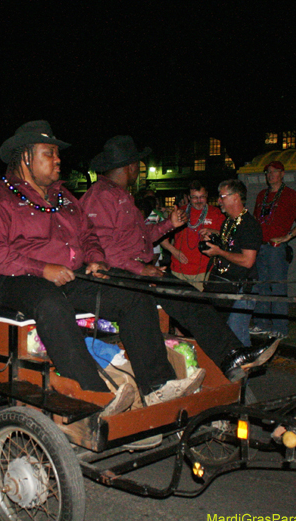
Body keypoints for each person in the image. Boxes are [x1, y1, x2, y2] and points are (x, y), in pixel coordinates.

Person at [0, 121, 199, 411]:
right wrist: (42, 268)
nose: (58, 160)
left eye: (57, 154)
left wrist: (96, 257)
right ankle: (93, 396)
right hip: (16, 280)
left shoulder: (64, 197)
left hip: (71, 276)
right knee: (51, 303)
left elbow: (88, 233)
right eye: (49, 153)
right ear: (26, 157)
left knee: (132, 291)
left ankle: (158, 386)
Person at [80, 136, 279, 380]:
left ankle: (231, 355)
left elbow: (140, 239)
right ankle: (229, 356)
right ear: (130, 167)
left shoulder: (119, 195)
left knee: (192, 300)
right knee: (187, 298)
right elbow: (102, 247)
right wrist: (140, 269)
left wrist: (168, 225)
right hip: (117, 275)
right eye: (138, 166)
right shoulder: (100, 197)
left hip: (133, 269)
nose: (139, 170)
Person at [200, 181, 266, 380]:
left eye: (223, 196)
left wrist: (218, 251)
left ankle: (243, 384)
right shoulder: (229, 221)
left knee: (237, 335)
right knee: (221, 332)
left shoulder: (248, 224)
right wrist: (215, 236)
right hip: (223, 284)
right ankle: (232, 379)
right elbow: (233, 242)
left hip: (240, 289)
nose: (219, 201)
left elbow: (247, 260)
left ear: (236, 197)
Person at [250, 161, 296, 339]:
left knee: (277, 287)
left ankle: (280, 327)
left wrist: (288, 236)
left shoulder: (289, 195)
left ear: (282, 174)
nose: (271, 175)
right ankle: (262, 324)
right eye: (268, 172)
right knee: (261, 286)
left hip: (276, 249)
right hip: (260, 246)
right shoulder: (262, 195)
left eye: (274, 172)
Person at [162, 180, 224, 290]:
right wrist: (174, 251)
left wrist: (212, 232)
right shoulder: (179, 212)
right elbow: (161, 238)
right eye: (195, 197)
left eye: (202, 197)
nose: (199, 201)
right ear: (189, 197)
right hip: (179, 271)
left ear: (207, 196)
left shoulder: (216, 213)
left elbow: (227, 237)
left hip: (204, 272)